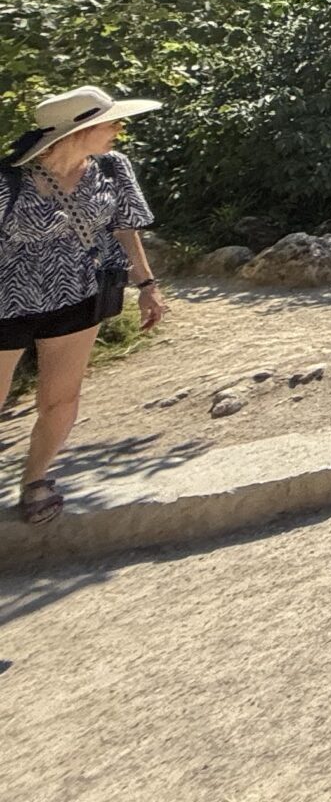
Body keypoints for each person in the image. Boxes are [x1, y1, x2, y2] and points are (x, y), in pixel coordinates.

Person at [2, 87, 167, 525]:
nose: (119, 129)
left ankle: (35, 480)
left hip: (78, 295)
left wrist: (147, 283)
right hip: (6, 302)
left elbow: (125, 227)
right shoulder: (8, 180)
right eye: (111, 122)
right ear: (76, 132)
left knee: (61, 398)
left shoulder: (112, 168)